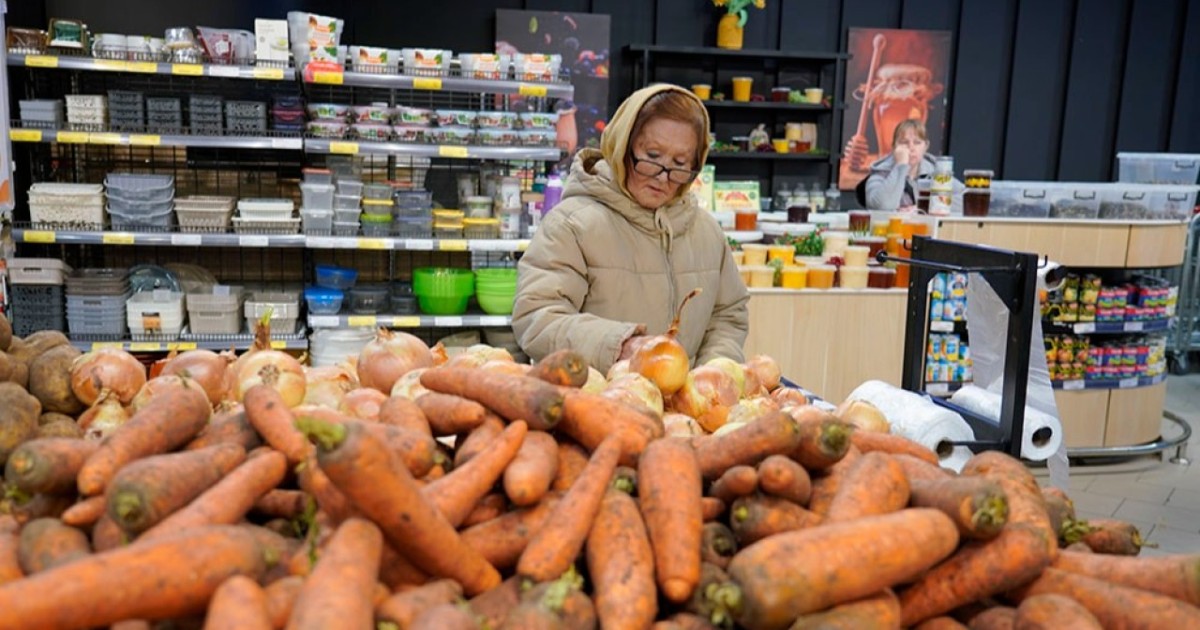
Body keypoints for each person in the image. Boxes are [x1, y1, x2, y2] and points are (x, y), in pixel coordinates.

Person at [512, 84, 749, 374]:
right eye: (652, 156)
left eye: (680, 163)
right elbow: (538, 317)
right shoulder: (572, 226)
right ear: (623, 145)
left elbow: (729, 314)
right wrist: (620, 346)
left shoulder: (706, 232)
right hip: (597, 407)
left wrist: (713, 374)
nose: (663, 176)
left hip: (685, 415)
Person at [863, 119, 964, 213]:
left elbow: (966, 199)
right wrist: (901, 165)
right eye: (904, 142)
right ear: (894, 147)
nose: (911, 148)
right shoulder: (881, 173)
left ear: (926, 146)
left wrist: (925, 205)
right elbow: (883, 206)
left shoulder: (935, 172)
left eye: (917, 142)